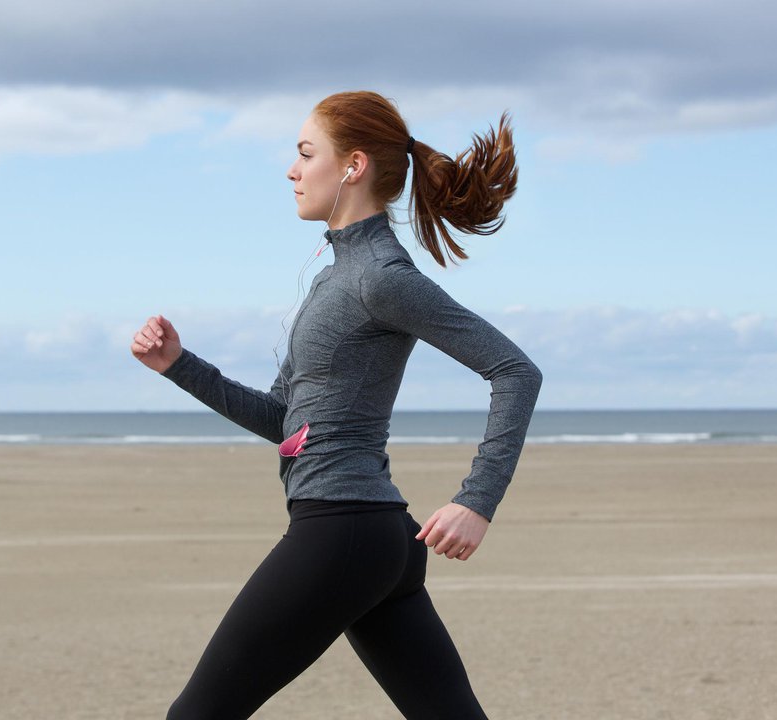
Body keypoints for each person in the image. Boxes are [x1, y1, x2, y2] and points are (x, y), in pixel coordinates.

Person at [131, 90, 542, 720]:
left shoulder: (381, 276)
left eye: (305, 153)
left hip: (344, 531)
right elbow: (284, 423)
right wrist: (180, 366)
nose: (292, 171)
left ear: (351, 166)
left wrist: (476, 500)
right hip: (375, 539)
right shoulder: (333, 278)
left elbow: (516, 371)